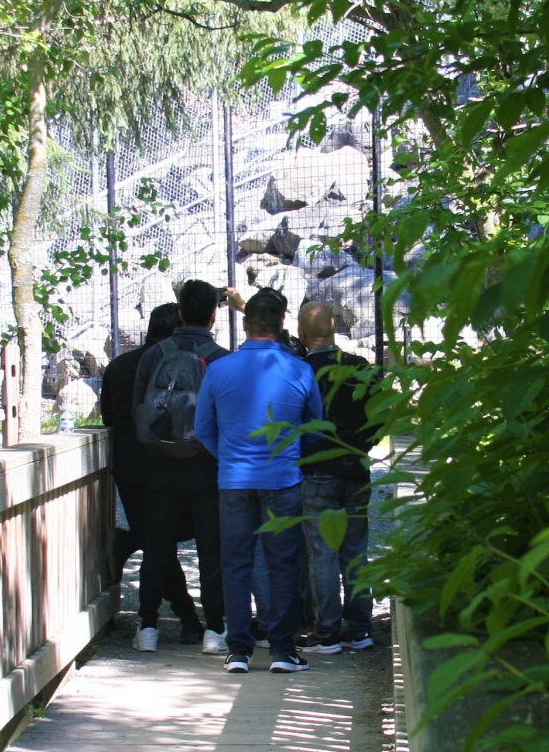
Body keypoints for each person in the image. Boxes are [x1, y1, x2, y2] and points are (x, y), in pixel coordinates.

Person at [195, 288, 324, 674]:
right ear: (283, 322)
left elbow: (203, 429)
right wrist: (290, 456)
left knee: (235, 563)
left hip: (233, 479)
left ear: (245, 324)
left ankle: (238, 650)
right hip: (283, 478)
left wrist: (231, 457)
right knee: (283, 563)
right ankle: (283, 649)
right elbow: (314, 429)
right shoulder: (300, 370)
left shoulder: (218, 369)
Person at [129, 280, 229, 655]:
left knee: (157, 548)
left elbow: (138, 408)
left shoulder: (155, 355)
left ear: (180, 311)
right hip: (206, 465)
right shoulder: (220, 358)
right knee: (211, 550)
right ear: (214, 314)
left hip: (159, 465)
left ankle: (148, 627)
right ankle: (214, 629)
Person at [99, 303, 204, 643]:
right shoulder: (180, 368)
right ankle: (187, 616)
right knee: (166, 540)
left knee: (155, 540)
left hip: (129, 469)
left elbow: (109, 420)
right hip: (172, 467)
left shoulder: (118, 367)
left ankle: (162, 617)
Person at [297, 302, 380, 653]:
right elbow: (379, 417)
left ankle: (327, 631)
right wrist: (362, 446)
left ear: (302, 335)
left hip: (317, 473)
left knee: (322, 554)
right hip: (356, 470)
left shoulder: (299, 371)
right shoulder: (360, 368)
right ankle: (360, 628)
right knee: (355, 551)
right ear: (335, 330)